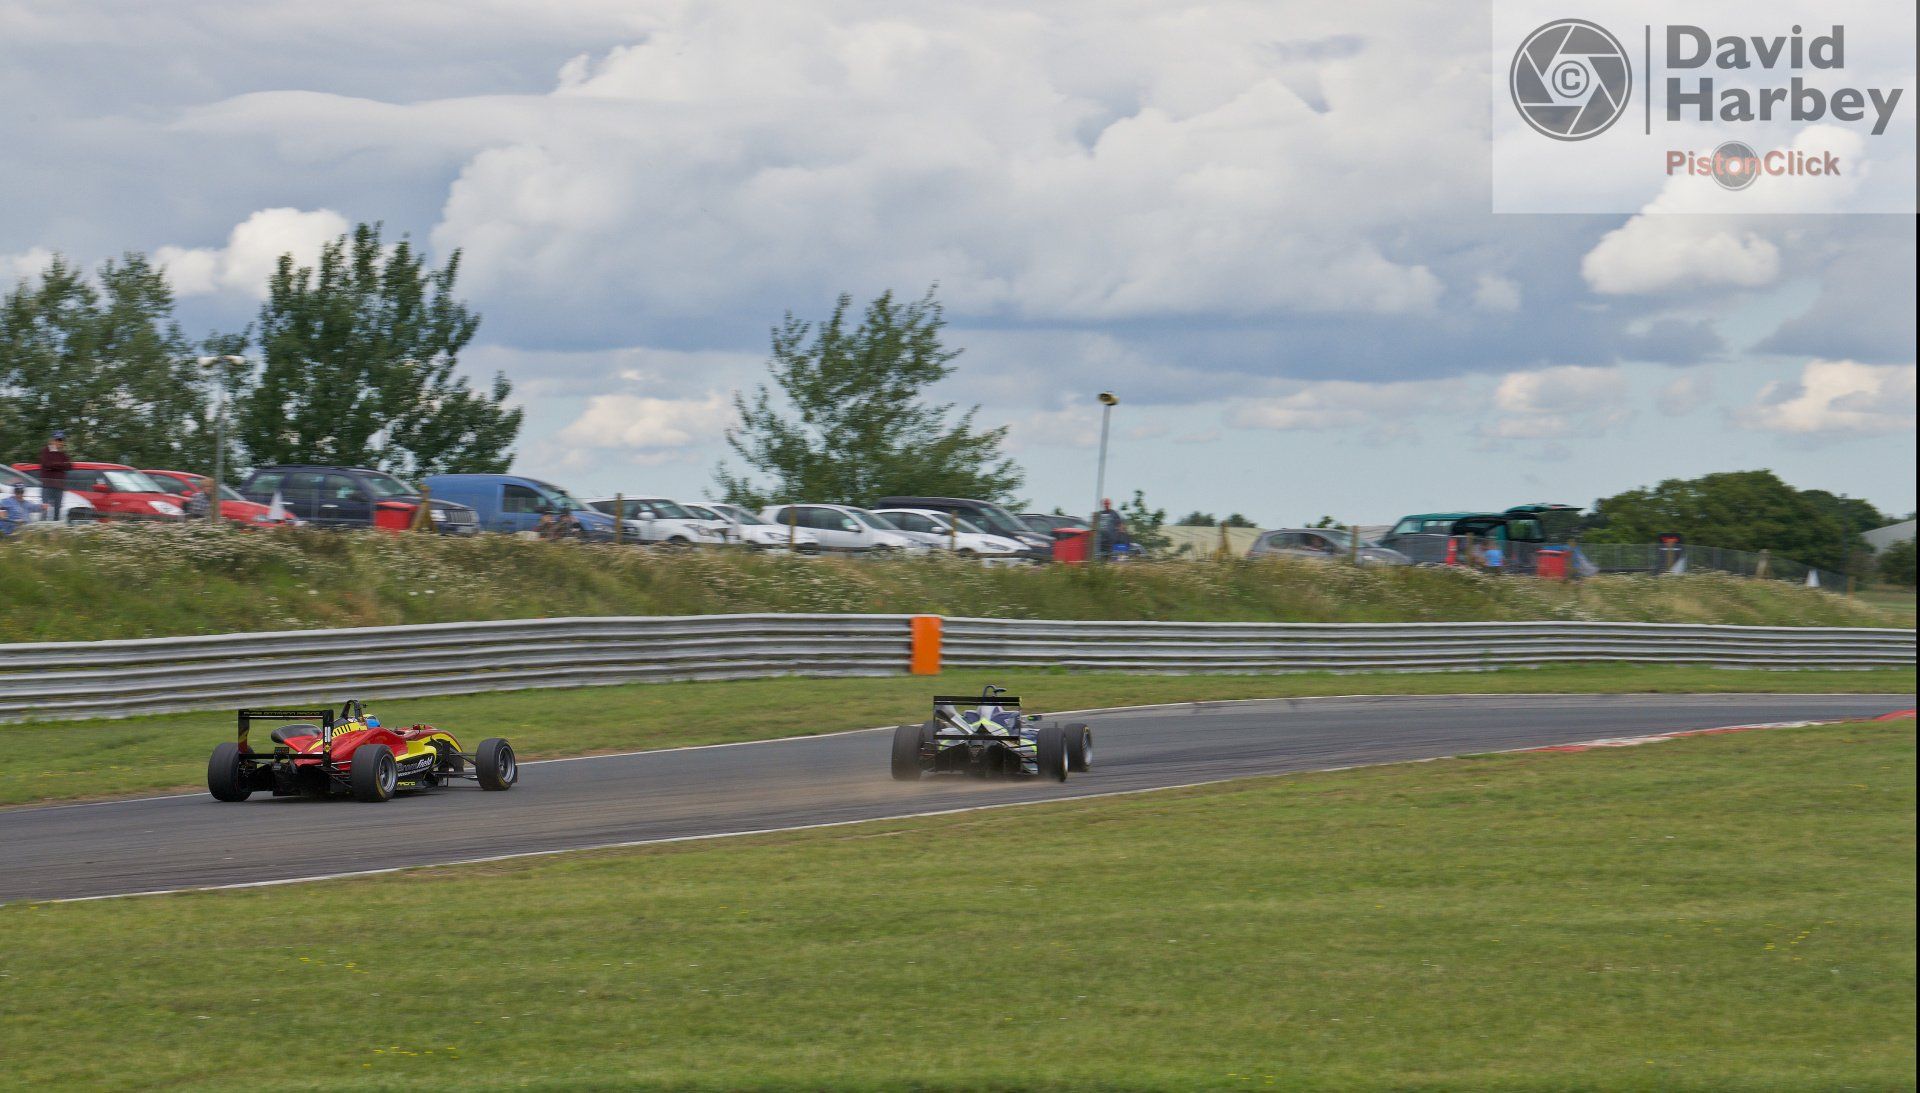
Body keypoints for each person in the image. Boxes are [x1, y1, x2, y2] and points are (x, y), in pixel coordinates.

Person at [36, 429, 72, 522]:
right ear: (52, 440)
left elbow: (70, 466)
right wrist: (61, 465)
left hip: (59, 486)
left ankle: (55, 533)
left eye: (61, 440)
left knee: (57, 512)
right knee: (45, 510)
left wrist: (55, 464)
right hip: (47, 485)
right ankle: (42, 530)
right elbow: (47, 464)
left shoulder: (63, 453)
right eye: (57, 439)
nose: (59, 442)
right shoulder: (46, 451)